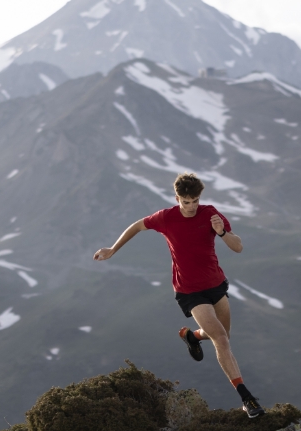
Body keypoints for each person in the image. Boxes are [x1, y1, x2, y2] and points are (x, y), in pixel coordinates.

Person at [93, 173, 265, 418]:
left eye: (195, 201)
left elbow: (238, 247)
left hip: (215, 284)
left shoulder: (210, 214)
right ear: (177, 199)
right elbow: (137, 226)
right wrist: (112, 249)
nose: (191, 206)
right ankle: (247, 398)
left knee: (222, 334)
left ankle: (192, 337)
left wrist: (223, 233)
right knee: (222, 340)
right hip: (189, 291)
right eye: (186, 202)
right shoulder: (166, 218)